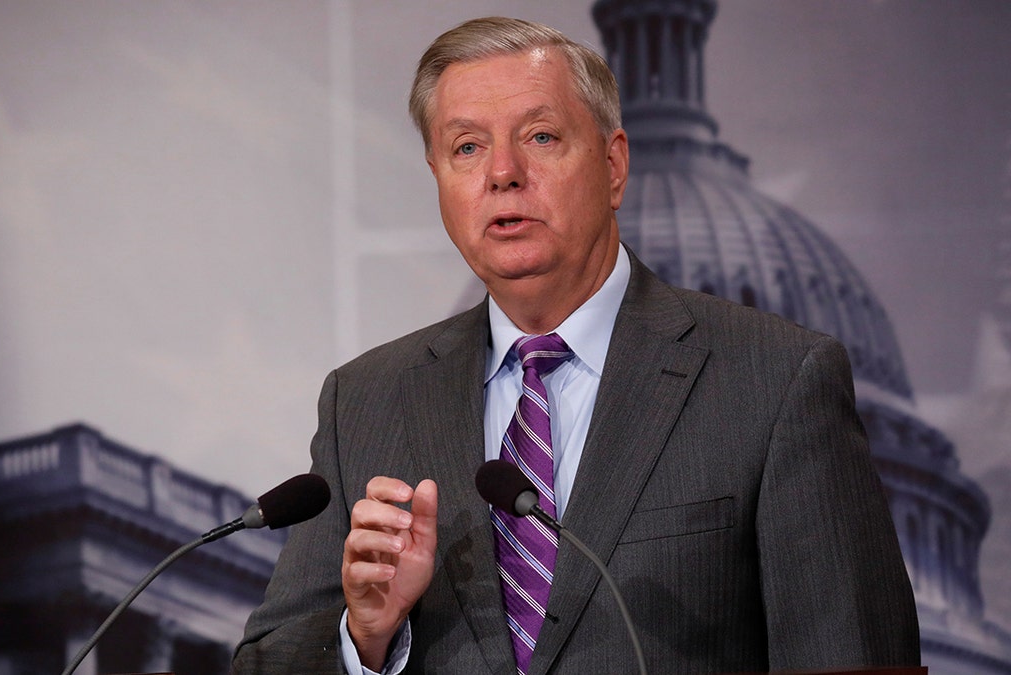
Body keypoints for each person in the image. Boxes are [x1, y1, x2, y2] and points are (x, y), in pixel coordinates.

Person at [233, 16, 919, 674]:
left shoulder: (774, 379)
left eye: (539, 137)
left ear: (615, 165)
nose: (502, 172)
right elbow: (265, 664)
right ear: (439, 178)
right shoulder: (367, 400)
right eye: (466, 147)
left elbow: (849, 660)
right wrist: (366, 637)